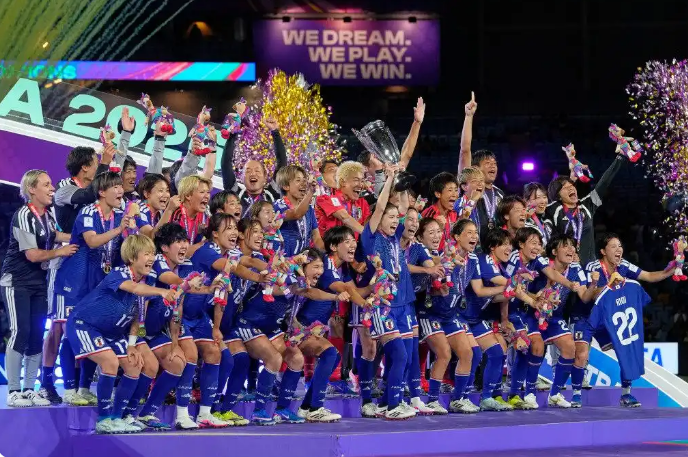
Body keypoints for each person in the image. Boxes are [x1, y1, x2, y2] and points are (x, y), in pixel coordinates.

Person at [65, 235, 175, 434]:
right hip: (84, 325)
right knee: (110, 362)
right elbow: (134, 288)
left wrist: (132, 344)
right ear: (132, 258)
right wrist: (161, 292)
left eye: (153, 253)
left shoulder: (147, 280)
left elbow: (137, 316)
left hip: (113, 331)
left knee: (134, 365)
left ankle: (118, 418)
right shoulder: (118, 273)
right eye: (147, 254)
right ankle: (103, 420)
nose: (152, 258)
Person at [41, 145, 112, 403]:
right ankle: (47, 381)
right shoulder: (64, 188)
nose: (98, 166)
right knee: (59, 327)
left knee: (83, 326)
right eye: (95, 162)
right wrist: (106, 163)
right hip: (66, 265)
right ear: (85, 167)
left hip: (91, 267)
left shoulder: (98, 195)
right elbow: (86, 195)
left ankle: (81, 386)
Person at [54, 171, 131, 406]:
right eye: (115, 187)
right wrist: (119, 230)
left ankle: (85, 388)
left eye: (121, 186)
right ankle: (69, 388)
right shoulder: (88, 212)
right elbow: (92, 241)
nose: (120, 190)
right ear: (102, 192)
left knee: (92, 332)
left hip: (97, 284)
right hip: (73, 283)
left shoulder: (119, 217)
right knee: (70, 334)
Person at [1, 170, 77, 407]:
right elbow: (33, 255)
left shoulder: (48, 214)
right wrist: (61, 251)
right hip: (16, 282)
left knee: (36, 334)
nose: (52, 188)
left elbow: (56, 234)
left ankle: (29, 389)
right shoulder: (24, 214)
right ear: (32, 189)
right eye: (46, 184)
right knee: (20, 331)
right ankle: (14, 391)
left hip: (39, 282)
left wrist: (81, 237)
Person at [571, 233, 674, 406]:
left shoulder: (623, 265)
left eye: (620, 246)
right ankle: (576, 394)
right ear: (603, 251)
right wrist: (610, 284)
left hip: (608, 319)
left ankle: (626, 394)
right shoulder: (592, 267)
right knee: (581, 354)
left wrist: (671, 270)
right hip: (586, 316)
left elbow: (649, 276)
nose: (618, 249)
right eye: (613, 246)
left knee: (625, 348)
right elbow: (590, 296)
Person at [359, 168, 417, 420]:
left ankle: (386, 402)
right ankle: (393, 405)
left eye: (396, 218)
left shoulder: (395, 236)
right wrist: (389, 179)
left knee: (404, 357)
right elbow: (381, 206)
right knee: (398, 355)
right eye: (389, 217)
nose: (395, 220)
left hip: (400, 304)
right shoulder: (370, 237)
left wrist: (400, 178)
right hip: (382, 306)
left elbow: (402, 207)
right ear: (378, 218)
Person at [504, 227, 581, 410]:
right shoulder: (514, 259)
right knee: (532, 346)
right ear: (521, 244)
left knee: (569, 346)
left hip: (540, 313)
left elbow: (552, 274)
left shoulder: (539, 260)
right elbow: (510, 287)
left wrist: (570, 284)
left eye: (539, 243)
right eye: (533, 243)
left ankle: (554, 394)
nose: (537, 247)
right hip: (516, 311)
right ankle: (524, 392)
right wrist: (534, 300)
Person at [526, 234, 597, 408]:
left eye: (572, 246)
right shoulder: (541, 265)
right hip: (531, 314)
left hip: (554, 318)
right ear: (554, 251)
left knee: (570, 347)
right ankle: (529, 393)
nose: (571, 249)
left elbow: (584, 296)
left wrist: (593, 284)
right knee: (537, 348)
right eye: (565, 246)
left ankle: (555, 394)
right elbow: (521, 291)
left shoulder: (575, 269)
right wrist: (538, 298)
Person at [545, 151, 626, 265]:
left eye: (572, 186)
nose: (571, 188)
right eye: (566, 188)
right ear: (558, 196)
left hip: (590, 267)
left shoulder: (587, 205)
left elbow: (604, 182)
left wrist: (620, 157)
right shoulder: (554, 210)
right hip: (565, 267)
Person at [220, 106, 288, 215]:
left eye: (257, 171)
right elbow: (225, 164)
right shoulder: (235, 194)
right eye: (248, 171)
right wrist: (233, 133)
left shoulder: (272, 194)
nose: (253, 173)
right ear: (241, 177)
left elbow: (282, 163)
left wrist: (275, 131)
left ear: (265, 176)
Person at [457, 93, 505, 235]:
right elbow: (465, 150)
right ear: (475, 168)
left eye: (495, 163)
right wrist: (469, 116)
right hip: (473, 243)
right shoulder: (469, 186)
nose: (493, 166)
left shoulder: (500, 193)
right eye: (488, 163)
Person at [357, 98, 425, 197]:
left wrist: (417, 123)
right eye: (376, 159)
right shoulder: (361, 189)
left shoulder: (392, 175)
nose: (384, 163)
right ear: (365, 168)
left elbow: (407, 153)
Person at [274, 165, 325, 255]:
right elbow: (296, 214)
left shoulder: (309, 209)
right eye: (298, 180)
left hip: (304, 260)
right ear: (286, 186)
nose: (304, 184)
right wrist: (310, 192)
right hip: (283, 260)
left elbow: (316, 238)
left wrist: (327, 253)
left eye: (304, 180)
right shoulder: (277, 206)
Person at [171, 175, 211, 258]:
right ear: (188, 195)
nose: (207, 196)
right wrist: (204, 244)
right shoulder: (177, 214)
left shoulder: (204, 216)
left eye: (208, 192)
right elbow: (176, 252)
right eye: (202, 192)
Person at [421, 172, 459, 250]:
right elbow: (425, 244)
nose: (455, 194)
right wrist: (439, 228)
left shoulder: (454, 214)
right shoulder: (429, 215)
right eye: (450, 190)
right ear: (438, 194)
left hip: (451, 255)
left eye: (456, 190)